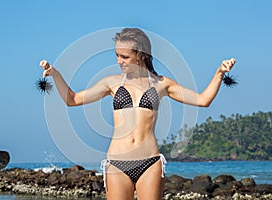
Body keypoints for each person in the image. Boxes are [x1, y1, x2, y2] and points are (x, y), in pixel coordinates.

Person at [39, 28, 236, 200]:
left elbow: (203, 100)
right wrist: (55, 73)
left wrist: (219, 73)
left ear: (141, 55)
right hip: (117, 163)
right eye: (117, 55)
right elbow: (72, 99)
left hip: (150, 162)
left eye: (124, 57)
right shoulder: (112, 83)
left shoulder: (161, 83)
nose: (119, 61)